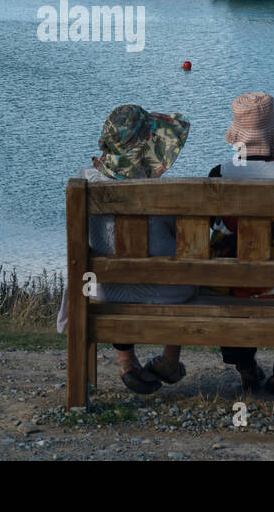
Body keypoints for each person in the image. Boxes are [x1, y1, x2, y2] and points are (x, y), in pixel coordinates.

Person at [56, 105, 196, 394]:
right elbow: (183, 239)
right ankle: (169, 360)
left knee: (117, 281)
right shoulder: (161, 191)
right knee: (185, 273)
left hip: (103, 290)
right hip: (167, 291)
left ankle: (126, 361)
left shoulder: (83, 181)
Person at [207, 93, 274, 393]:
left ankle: (244, 364)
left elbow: (210, 228)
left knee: (228, 278)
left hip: (229, 283)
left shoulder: (218, 174)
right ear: (273, 138)